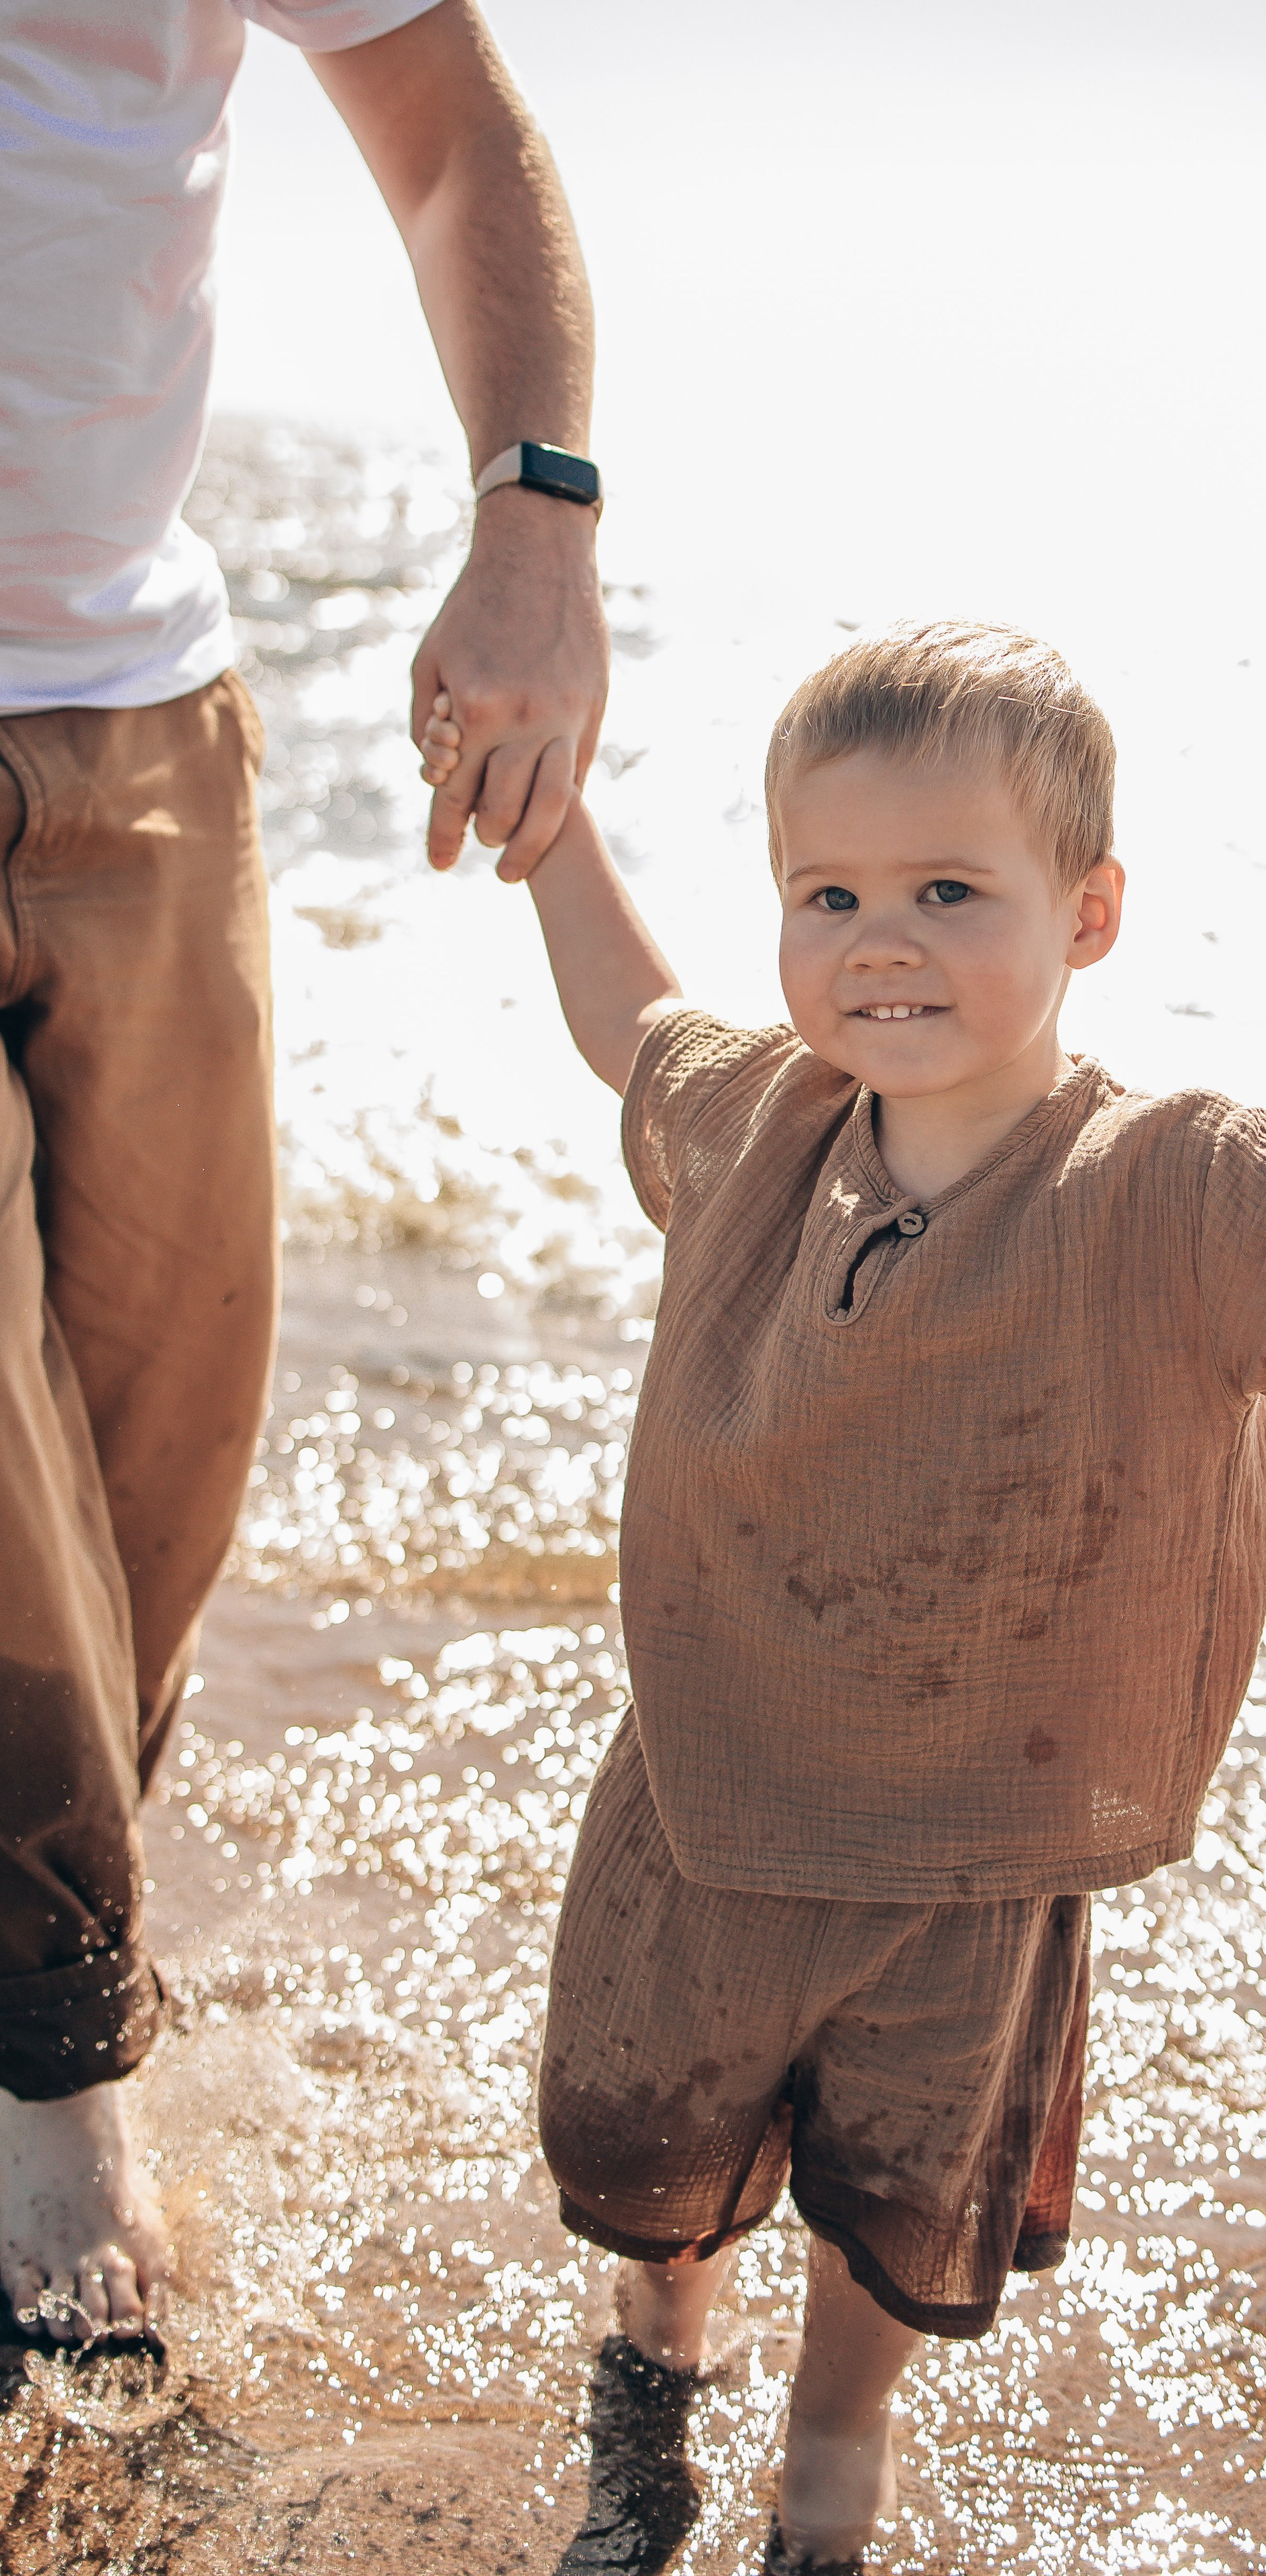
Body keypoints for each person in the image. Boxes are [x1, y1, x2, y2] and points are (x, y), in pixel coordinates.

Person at [422, 617, 1266, 2569]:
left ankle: (827, 2480)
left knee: (886, 2199)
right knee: (652, 2155)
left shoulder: (1168, 1183)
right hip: (714, 1792)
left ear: (1090, 912)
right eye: (831, 891)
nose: (884, 938)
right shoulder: (766, 1119)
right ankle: (657, 2367)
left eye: (953, 890)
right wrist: (549, 828)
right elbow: (632, 1017)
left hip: (972, 1850)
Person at [0, 0, 607, 2351]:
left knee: (163, 1427)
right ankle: (55, 2059)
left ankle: (31, 1908)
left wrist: (535, 514)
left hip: (144, 716)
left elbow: (449, 127)